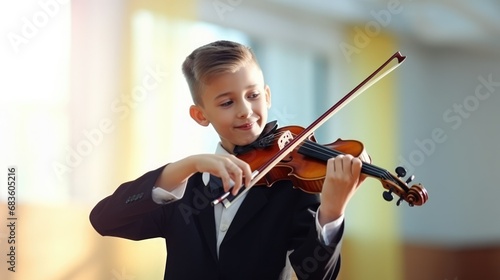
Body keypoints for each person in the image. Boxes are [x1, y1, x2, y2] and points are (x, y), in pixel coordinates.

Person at [89, 40, 368, 280]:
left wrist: (332, 212)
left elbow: (315, 275)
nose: (245, 111)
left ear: (267, 95)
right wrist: (188, 165)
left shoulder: (293, 188)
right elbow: (105, 219)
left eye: (253, 95)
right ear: (200, 115)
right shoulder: (180, 189)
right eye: (226, 102)